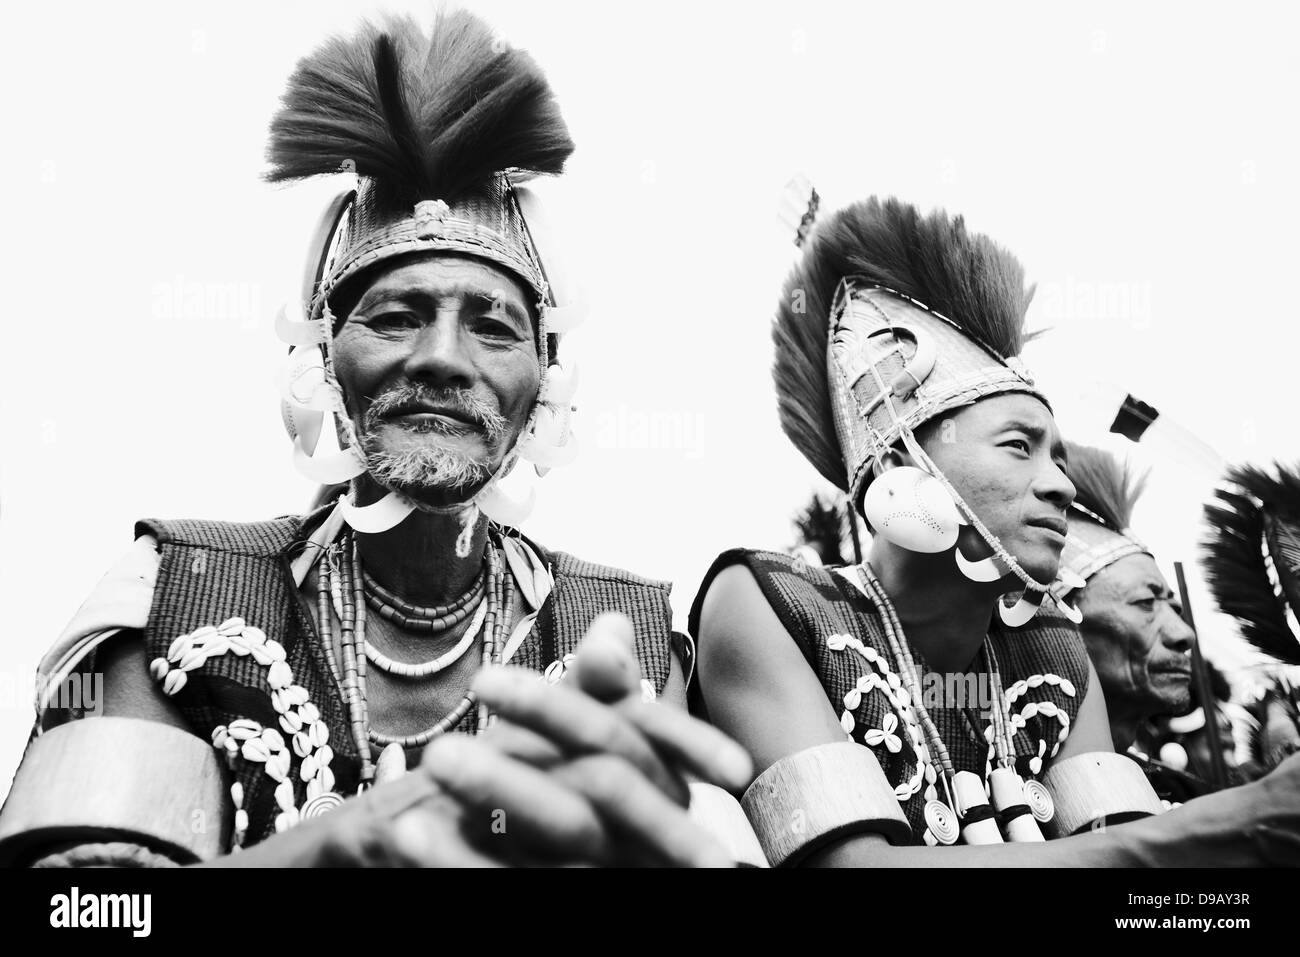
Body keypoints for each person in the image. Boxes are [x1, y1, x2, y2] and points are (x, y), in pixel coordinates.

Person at [0, 11, 750, 868]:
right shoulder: (179, 591)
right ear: (324, 360)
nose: (439, 357)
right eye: (394, 317)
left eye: (494, 328)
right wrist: (331, 848)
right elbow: (86, 911)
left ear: (545, 380)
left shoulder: (630, 638)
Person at [689, 194, 1300, 865]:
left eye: (1060, 458)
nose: (1060, 483)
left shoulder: (1053, 648)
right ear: (899, 461)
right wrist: (1230, 822)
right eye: (1019, 445)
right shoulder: (765, 600)